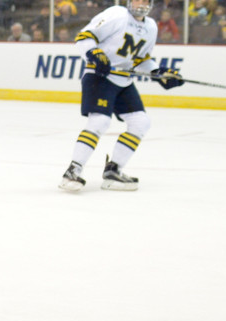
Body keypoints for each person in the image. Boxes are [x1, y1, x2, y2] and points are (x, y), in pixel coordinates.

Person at [59, 0, 184, 192]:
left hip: (123, 81)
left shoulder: (151, 26)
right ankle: (72, 171)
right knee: (99, 122)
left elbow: (141, 60)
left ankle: (113, 170)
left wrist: (159, 73)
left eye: (144, 0)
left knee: (141, 122)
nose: (140, 3)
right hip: (99, 77)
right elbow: (84, 37)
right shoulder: (117, 14)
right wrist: (95, 53)